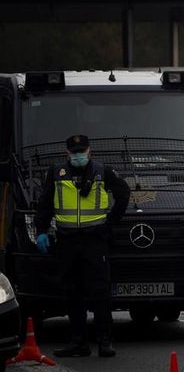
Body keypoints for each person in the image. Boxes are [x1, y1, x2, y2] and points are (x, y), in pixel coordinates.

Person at [34, 134, 130, 358]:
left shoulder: (102, 171)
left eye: (82, 151)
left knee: (100, 291)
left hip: (94, 239)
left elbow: (124, 194)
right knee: (72, 291)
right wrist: (41, 231)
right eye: (74, 152)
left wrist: (111, 223)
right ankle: (79, 342)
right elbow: (45, 204)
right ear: (67, 153)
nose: (78, 155)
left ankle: (105, 341)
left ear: (90, 151)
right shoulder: (56, 173)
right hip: (67, 240)